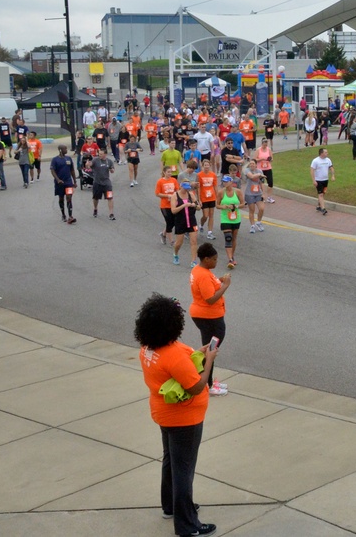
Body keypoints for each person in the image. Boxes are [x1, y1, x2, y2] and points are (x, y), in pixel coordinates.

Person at [134, 293, 218, 537]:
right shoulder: (173, 355)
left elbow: (181, 364)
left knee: (171, 460)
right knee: (184, 470)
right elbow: (196, 386)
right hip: (185, 420)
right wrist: (209, 360)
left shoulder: (148, 348)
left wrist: (199, 353)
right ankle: (187, 525)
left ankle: (170, 506)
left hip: (164, 415)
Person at [189, 243, 231, 397]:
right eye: (214, 259)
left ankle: (209, 382)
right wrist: (225, 286)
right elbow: (210, 299)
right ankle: (207, 385)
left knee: (209, 349)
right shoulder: (204, 275)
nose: (216, 262)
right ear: (206, 259)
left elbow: (211, 286)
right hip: (208, 317)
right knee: (210, 351)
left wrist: (219, 281)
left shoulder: (200, 270)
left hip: (206, 316)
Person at [170, 179, 200, 266]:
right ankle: (175, 254)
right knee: (179, 242)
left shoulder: (191, 194)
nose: (186, 190)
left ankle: (193, 261)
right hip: (180, 221)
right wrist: (184, 205)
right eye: (185, 188)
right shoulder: (175, 196)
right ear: (180, 186)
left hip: (191, 220)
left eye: (188, 188)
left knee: (194, 241)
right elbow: (173, 211)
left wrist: (195, 205)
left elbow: (198, 207)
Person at [217, 175, 242, 269]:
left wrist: (236, 206)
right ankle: (230, 259)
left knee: (234, 238)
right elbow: (217, 205)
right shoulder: (221, 192)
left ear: (231, 182)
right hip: (225, 218)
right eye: (223, 181)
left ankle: (232, 255)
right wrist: (223, 207)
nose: (225, 183)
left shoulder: (238, 192)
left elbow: (243, 203)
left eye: (226, 181)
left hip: (236, 218)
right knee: (228, 238)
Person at [50, 145, 77, 224]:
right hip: (60, 183)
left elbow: (72, 170)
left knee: (69, 198)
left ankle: (70, 216)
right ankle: (63, 214)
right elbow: (52, 170)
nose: (66, 150)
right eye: (65, 148)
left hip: (68, 182)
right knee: (61, 198)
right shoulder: (55, 160)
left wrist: (74, 181)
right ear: (60, 150)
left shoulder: (68, 158)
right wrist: (58, 179)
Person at [155, 165, 179, 246]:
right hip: (164, 206)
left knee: (173, 222)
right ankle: (171, 241)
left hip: (173, 205)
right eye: (168, 172)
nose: (170, 173)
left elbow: (177, 190)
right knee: (169, 222)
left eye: (170, 172)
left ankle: (163, 234)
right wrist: (167, 196)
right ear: (164, 172)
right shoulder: (160, 181)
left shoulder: (174, 180)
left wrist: (174, 196)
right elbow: (157, 193)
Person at [90, 146, 116, 220]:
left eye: (101, 154)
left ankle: (111, 213)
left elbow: (112, 170)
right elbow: (90, 165)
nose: (99, 155)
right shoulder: (95, 160)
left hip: (107, 183)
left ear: (105, 154)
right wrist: (88, 164)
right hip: (97, 182)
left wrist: (111, 170)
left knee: (110, 197)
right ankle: (95, 208)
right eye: (99, 154)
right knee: (95, 198)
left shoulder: (109, 161)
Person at [196, 158, 219, 239]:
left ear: (210, 166)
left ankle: (210, 232)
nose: (206, 167)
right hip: (203, 198)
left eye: (208, 165)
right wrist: (199, 199)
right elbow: (198, 188)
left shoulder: (213, 175)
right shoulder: (199, 175)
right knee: (205, 215)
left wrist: (217, 197)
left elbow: (215, 186)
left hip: (212, 197)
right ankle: (201, 225)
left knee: (211, 215)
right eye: (205, 165)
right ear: (202, 166)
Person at [242, 159, 266, 233]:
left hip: (258, 193)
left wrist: (263, 193)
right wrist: (259, 175)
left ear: (256, 165)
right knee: (252, 210)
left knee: (261, 208)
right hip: (250, 194)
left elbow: (261, 183)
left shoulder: (259, 171)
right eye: (250, 163)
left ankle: (258, 222)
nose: (251, 165)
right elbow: (252, 177)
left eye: (253, 163)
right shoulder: (247, 170)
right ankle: (252, 225)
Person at [309, 147, 335, 215]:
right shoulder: (315, 161)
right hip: (318, 180)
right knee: (320, 194)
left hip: (325, 180)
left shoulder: (328, 160)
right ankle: (323, 209)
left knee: (323, 194)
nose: (327, 153)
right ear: (321, 153)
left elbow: (331, 168)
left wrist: (332, 175)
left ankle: (318, 205)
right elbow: (312, 171)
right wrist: (314, 180)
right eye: (326, 152)